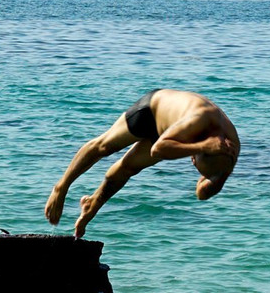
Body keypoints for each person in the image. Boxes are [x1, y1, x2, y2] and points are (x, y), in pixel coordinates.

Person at [44, 89, 240, 238]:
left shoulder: (229, 155)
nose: (192, 164)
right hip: (153, 110)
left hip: (175, 134)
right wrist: (201, 146)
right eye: (195, 163)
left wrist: (211, 184)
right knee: (104, 146)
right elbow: (158, 149)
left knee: (128, 168)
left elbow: (202, 193)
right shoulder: (199, 119)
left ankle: (92, 204)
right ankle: (61, 187)